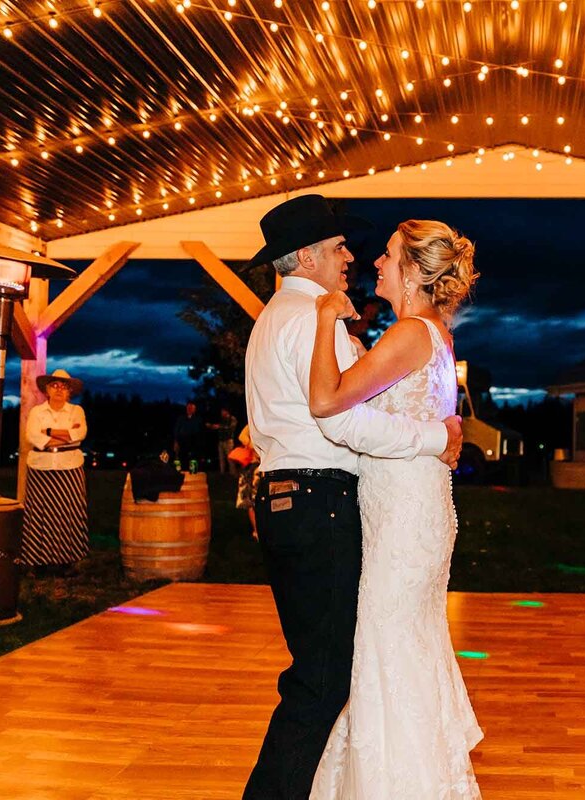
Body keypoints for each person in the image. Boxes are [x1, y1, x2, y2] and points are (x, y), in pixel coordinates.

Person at [242, 194, 463, 800]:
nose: (353, 258)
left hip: (296, 501)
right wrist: (434, 437)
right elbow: (345, 419)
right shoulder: (317, 320)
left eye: (378, 254)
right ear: (308, 256)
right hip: (324, 504)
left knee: (332, 669)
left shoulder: (270, 321)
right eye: (339, 247)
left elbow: (285, 418)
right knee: (323, 678)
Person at [308, 219, 482, 798]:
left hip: (405, 516)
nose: (375, 264)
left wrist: (325, 320)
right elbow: (396, 410)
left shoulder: (409, 333)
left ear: (411, 271)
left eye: (386, 256)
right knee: (404, 649)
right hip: (414, 508)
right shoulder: (431, 333)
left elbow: (328, 402)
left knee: (389, 650)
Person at [21, 368, 89, 576]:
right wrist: (65, 434)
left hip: (70, 466)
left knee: (68, 513)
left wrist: (48, 432)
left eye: (64, 387)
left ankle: (67, 561)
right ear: (47, 389)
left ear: (69, 392)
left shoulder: (77, 411)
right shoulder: (37, 412)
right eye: (55, 385)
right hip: (41, 466)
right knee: (40, 514)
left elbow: (80, 434)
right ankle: (38, 562)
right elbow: (32, 436)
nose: (59, 390)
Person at [231, 424, 260, 537]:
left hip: (264, 466)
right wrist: (252, 445)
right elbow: (242, 436)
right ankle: (256, 531)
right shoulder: (253, 422)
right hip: (252, 466)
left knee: (260, 501)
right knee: (251, 500)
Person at [173, 400, 204, 467]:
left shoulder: (198, 419)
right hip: (182, 441)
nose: (189, 409)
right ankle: (180, 471)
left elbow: (199, 430)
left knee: (193, 457)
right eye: (188, 408)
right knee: (181, 456)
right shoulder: (181, 418)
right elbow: (176, 430)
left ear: (194, 409)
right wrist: (176, 441)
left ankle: (193, 471)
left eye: (191, 408)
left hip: (193, 441)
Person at [210, 407, 239, 475]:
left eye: (223, 411)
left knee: (230, 459)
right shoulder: (221, 419)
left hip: (228, 441)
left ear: (227, 411)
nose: (221, 413)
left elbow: (231, 428)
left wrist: (219, 427)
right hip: (221, 441)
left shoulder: (232, 419)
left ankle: (233, 473)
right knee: (221, 458)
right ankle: (222, 473)